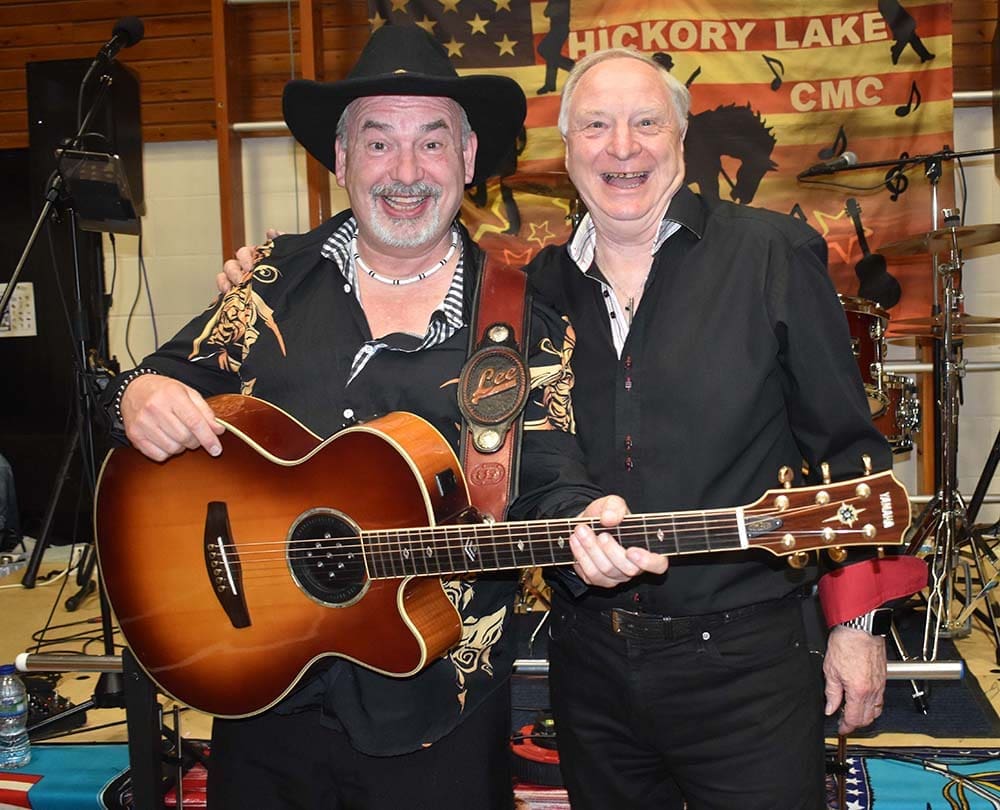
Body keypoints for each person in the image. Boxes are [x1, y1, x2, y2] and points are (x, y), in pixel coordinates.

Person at [105, 27, 664, 810]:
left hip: (436, 711)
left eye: (431, 142)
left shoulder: (523, 319)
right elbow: (158, 377)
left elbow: (547, 477)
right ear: (341, 160)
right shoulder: (270, 281)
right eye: (378, 142)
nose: (405, 172)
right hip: (258, 687)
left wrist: (585, 524)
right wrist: (137, 396)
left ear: (467, 159)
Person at [514, 48, 926, 809]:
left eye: (646, 123)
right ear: (566, 147)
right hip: (590, 667)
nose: (622, 148)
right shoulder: (537, 287)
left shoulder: (773, 254)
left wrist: (858, 626)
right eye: (596, 126)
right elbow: (531, 450)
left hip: (748, 668)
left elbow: (848, 450)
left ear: (681, 137)